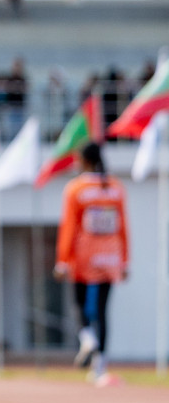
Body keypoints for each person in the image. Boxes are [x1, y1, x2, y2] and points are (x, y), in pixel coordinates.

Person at [55, 142, 128, 381]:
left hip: (84, 254)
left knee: (79, 303)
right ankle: (100, 367)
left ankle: (87, 338)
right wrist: (125, 260)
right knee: (103, 310)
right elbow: (123, 228)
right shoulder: (115, 188)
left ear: (83, 161)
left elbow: (69, 227)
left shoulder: (76, 188)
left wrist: (63, 260)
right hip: (111, 255)